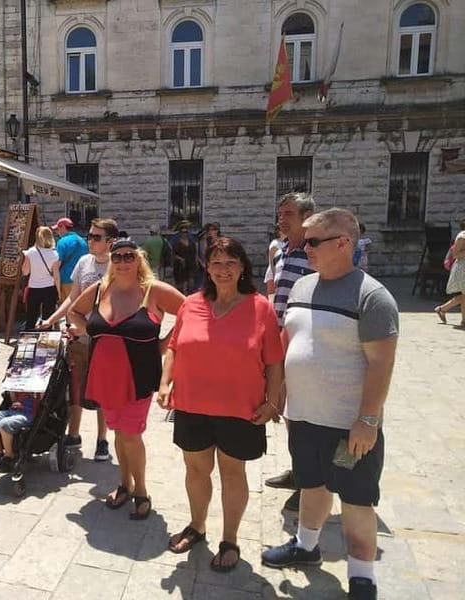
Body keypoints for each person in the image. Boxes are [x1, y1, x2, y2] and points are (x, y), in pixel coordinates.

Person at [261, 208, 398, 600]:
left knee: (356, 500)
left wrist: (368, 420)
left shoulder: (372, 296)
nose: (303, 248)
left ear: (343, 243)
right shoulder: (303, 286)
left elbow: (381, 363)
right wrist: (278, 393)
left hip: (348, 426)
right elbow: (289, 342)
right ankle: (306, 547)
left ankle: (362, 577)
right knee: (312, 485)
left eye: (312, 242)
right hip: (304, 417)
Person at [158, 237, 284, 571]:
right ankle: (197, 526)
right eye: (216, 262)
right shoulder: (191, 304)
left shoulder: (260, 307)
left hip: (240, 408)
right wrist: (164, 382)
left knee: (232, 472)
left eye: (230, 262)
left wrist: (273, 402)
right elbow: (174, 347)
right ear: (207, 267)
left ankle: (230, 539)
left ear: (242, 267)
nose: (223, 269)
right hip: (191, 404)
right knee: (196, 470)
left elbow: (274, 361)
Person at [69, 239, 184, 520]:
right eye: (117, 257)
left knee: (131, 435)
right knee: (118, 432)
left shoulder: (152, 290)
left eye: (128, 256)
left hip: (139, 377)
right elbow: (74, 311)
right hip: (105, 376)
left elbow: (190, 312)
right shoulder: (99, 290)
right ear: (111, 260)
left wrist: (165, 345)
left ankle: (141, 490)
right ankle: (124, 483)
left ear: (138, 259)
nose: (122, 262)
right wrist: (89, 329)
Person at [39, 218, 119, 462]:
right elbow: (72, 299)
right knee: (75, 385)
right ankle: (73, 434)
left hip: (106, 339)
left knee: (102, 389)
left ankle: (102, 439)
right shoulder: (84, 262)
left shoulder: (118, 266)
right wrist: (51, 319)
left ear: (110, 241)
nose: (90, 241)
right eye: (90, 236)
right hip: (79, 336)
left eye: (96, 237)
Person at [263, 192, 316, 512]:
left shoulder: (315, 252)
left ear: (307, 217)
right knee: (289, 412)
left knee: (304, 413)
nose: (282, 219)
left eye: (289, 214)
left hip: (304, 344)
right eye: (280, 214)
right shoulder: (281, 250)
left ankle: (310, 482)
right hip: (282, 341)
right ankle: (299, 471)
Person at [0, 392, 42, 473]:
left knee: (4, 424)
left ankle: (9, 456)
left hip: (29, 414)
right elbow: (13, 400)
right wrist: (12, 389)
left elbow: (43, 400)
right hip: (13, 410)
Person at [22, 226, 61, 331]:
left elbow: (25, 272)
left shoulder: (30, 252)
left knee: (31, 317)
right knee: (48, 319)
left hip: (34, 287)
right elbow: (56, 276)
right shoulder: (54, 254)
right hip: (49, 288)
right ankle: (45, 339)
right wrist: (58, 291)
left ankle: (30, 338)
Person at [434, 218, 465, 327]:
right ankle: (443, 309)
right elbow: (455, 254)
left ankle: (443, 309)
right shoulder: (462, 237)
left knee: (464, 295)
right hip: (462, 269)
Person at [54, 217, 88, 303]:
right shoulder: (83, 241)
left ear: (62, 227)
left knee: (67, 308)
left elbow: (57, 266)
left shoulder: (61, 242)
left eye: (57, 229)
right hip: (81, 281)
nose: (57, 232)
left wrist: (57, 289)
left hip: (66, 281)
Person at [172, 224, 199, 294]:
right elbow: (173, 254)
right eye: (183, 232)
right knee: (181, 284)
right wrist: (180, 259)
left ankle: (189, 294)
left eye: (186, 232)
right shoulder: (177, 244)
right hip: (180, 265)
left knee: (191, 282)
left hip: (191, 264)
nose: (184, 234)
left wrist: (196, 262)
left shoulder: (191, 243)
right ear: (180, 233)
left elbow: (195, 253)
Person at [264, 223, 286, 298]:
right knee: (272, 297)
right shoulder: (275, 244)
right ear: (279, 231)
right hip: (273, 272)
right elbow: (271, 262)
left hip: (281, 270)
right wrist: (274, 276)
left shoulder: (286, 243)